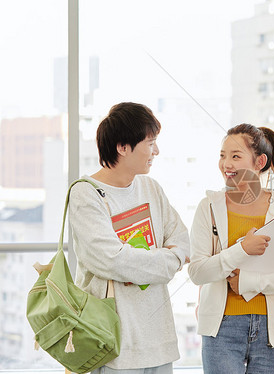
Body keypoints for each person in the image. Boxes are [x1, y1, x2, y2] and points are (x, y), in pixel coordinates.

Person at [68, 102, 190, 373]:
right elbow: (112, 261)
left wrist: (159, 259)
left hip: (159, 341)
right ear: (123, 147)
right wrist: (169, 261)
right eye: (150, 143)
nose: (156, 151)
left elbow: (182, 240)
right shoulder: (86, 194)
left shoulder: (150, 187)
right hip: (113, 345)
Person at [188, 124, 274, 374]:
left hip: (272, 329)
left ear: (260, 161)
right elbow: (198, 272)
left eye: (235, 156)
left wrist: (249, 282)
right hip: (221, 328)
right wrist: (242, 249)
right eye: (222, 156)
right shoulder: (209, 207)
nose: (226, 164)